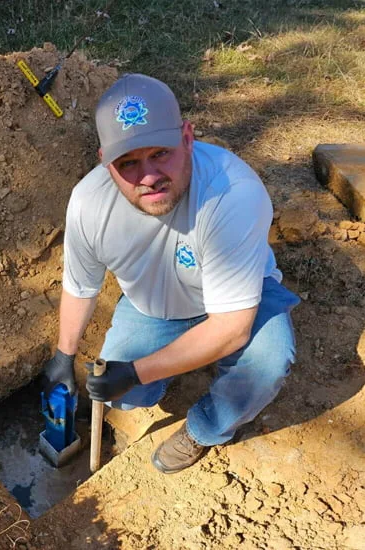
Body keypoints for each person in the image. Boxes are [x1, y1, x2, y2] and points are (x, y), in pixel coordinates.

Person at [41, 73, 300, 473]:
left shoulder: (232, 194)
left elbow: (231, 327)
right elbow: (81, 285)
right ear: (105, 163)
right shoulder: (88, 204)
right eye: (128, 163)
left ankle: (203, 429)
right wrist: (64, 354)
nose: (147, 176)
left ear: (187, 137)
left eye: (160, 153)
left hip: (239, 299)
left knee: (266, 364)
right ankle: (173, 362)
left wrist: (135, 371)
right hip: (154, 307)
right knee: (120, 399)